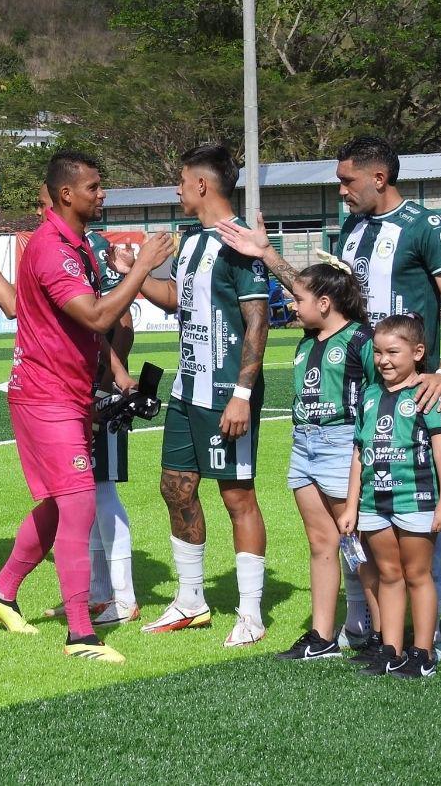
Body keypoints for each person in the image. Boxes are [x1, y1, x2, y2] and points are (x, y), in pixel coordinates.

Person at [216, 134, 441, 657]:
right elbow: (322, 302)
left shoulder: (425, 226)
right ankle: (372, 630)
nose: (341, 191)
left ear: (379, 178)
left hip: (410, 393)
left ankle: (429, 636)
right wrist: (266, 254)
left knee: (414, 510)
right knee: (369, 519)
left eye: (347, 180)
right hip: (360, 394)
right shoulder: (353, 229)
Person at [0, 189, 142, 627]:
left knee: (70, 502)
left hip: (79, 392)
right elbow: (95, 318)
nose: (102, 193)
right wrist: (144, 267)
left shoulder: (83, 246)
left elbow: (98, 327)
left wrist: (116, 371)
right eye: (94, 186)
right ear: (64, 194)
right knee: (83, 503)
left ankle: (4, 590)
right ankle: (83, 628)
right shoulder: (51, 246)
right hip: (48, 394)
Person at [128, 144, 270, 647]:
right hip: (186, 392)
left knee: (237, 497)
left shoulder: (239, 244)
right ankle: (191, 601)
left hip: (226, 393)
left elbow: (258, 319)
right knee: (176, 487)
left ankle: (251, 614)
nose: (178, 189)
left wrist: (241, 394)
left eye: (182, 181)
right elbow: (175, 300)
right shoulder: (190, 243)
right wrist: (139, 270)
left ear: (203, 186)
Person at [338, 314, 441, 678]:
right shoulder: (370, 396)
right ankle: (391, 649)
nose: (383, 360)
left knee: (417, 574)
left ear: (418, 352)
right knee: (388, 574)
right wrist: (351, 504)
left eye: (392, 352)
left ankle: (424, 652)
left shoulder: (428, 394)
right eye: (377, 352)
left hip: (415, 500)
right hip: (374, 504)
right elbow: (360, 453)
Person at [274, 262, 376, 661]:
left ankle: (382, 636)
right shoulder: (306, 341)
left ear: (325, 302)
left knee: (359, 544)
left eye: (299, 299)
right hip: (304, 447)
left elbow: (381, 390)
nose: (292, 305)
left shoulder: (359, 339)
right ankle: (322, 636)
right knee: (321, 544)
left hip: (342, 444)